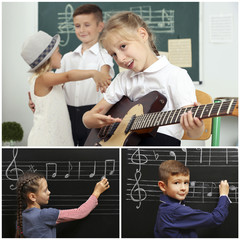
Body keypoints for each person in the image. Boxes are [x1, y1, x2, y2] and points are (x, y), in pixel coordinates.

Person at [83, 12, 204, 146]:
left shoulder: (175, 76)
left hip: (160, 152)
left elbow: (193, 132)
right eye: (114, 55)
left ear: (142, 35)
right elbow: (92, 115)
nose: (121, 59)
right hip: (125, 151)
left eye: (123, 46)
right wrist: (87, 119)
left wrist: (196, 127)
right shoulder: (123, 79)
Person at [29, 4, 115, 146]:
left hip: (92, 112)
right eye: (77, 26)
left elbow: (104, 71)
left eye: (87, 25)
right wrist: (38, 101)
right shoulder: (67, 57)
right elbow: (55, 84)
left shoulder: (104, 55)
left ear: (100, 26)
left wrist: (102, 75)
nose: (82, 30)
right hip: (67, 114)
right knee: (70, 149)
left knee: (91, 150)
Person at [16, 172, 110, 238]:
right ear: (32, 197)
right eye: (45, 190)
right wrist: (97, 192)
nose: (49, 192)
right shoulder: (45, 215)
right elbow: (80, 212)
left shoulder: (20, 219)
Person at [154, 160, 231, 238]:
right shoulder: (175, 211)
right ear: (163, 186)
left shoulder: (165, 207)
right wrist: (224, 195)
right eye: (176, 183)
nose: (183, 188)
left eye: (186, 182)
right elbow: (216, 219)